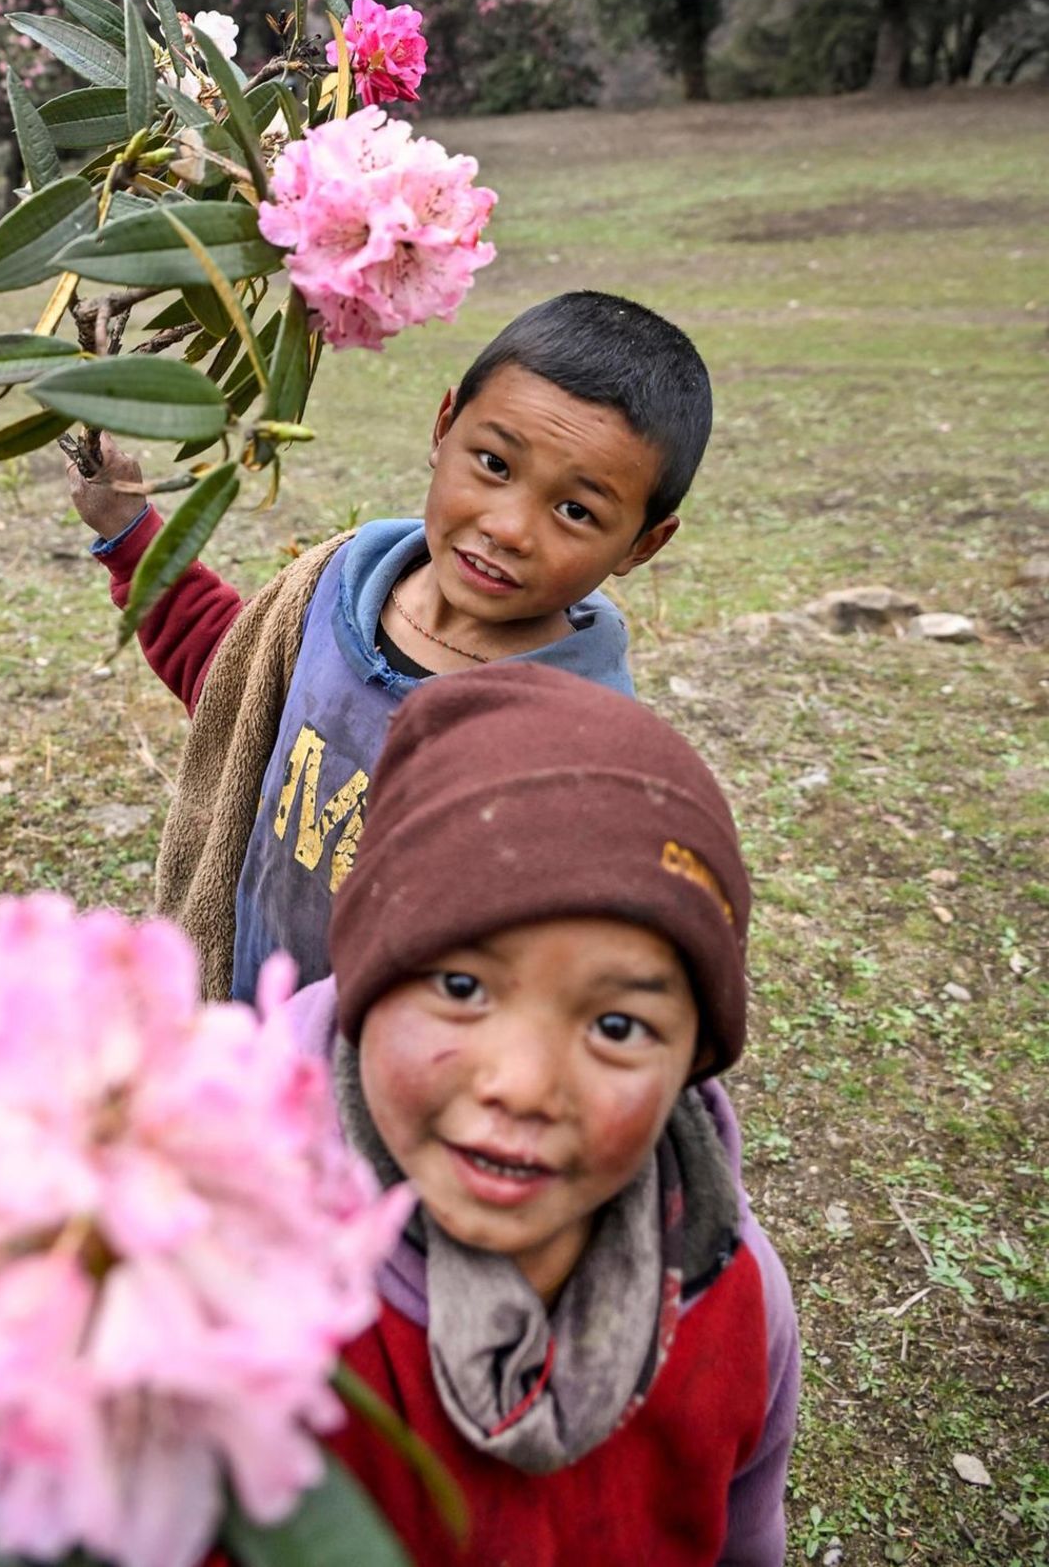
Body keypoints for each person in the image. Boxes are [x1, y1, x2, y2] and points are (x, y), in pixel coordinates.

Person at [287, 661, 799, 1566]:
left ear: (692, 1060)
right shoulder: (231, 1277)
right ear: (363, 982)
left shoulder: (737, 1302)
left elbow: (745, 1537)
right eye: (459, 985)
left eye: (616, 1025)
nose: (522, 1085)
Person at [67, 290, 712, 1001]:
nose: (509, 527)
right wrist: (130, 530)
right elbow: (232, 680)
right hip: (248, 1033)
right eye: (495, 463)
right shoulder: (334, 585)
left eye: (575, 510)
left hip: (385, 1086)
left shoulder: (578, 747)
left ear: (644, 543)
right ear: (444, 426)